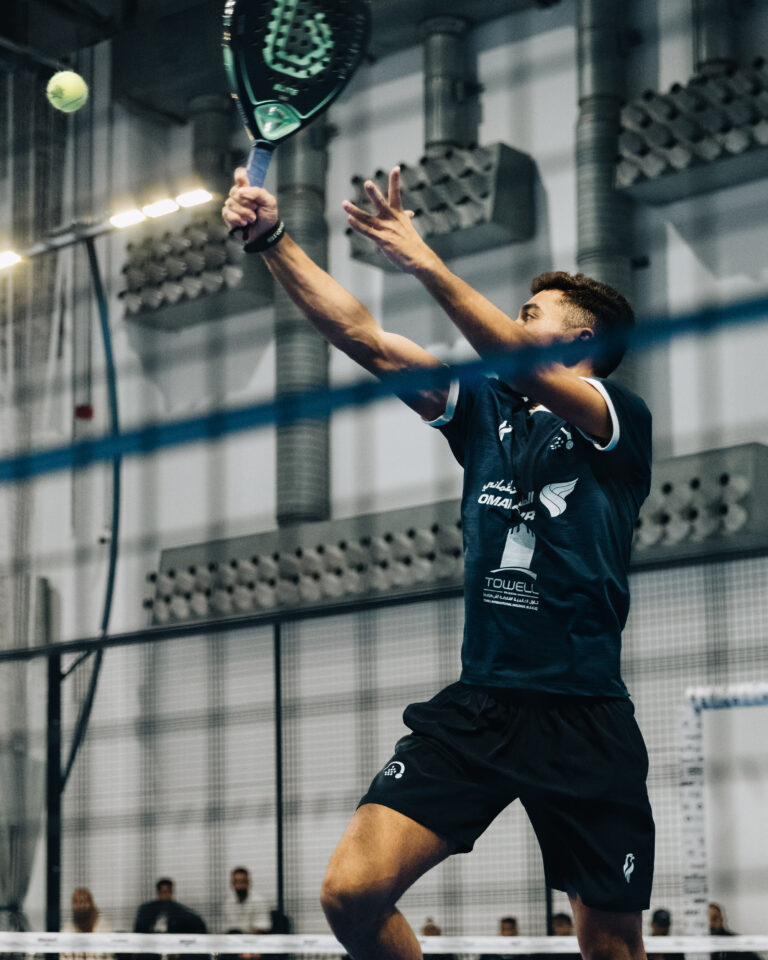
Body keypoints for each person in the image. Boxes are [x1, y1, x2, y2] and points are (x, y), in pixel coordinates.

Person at [223, 163, 654, 960]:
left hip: (585, 719)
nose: (514, 323)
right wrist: (273, 239)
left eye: (530, 314)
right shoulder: (486, 413)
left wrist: (422, 259)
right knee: (351, 893)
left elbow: (524, 363)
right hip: (481, 705)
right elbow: (365, 338)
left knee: (612, 949)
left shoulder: (615, 419)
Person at [133, 878, 207, 934]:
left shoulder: (179, 910)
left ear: (172, 893)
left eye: (169, 892)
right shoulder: (147, 910)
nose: (166, 895)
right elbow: (139, 929)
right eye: (163, 892)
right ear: (158, 893)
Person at [61, 888, 113, 960]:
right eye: (76, 902)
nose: (80, 905)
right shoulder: (67, 929)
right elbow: (63, 955)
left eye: (83, 901)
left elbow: (108, 955)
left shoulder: (102, 927)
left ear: (91, 903)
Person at [222, 866, 271, 934]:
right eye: (237, 882)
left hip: (254, 939)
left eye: (242, 881)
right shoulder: (228, 903)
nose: (240, 885)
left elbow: (262, 927)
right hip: (234, 939)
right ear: (232, 884)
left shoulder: (259, 901)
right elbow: (225, 929)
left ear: (248, 883)